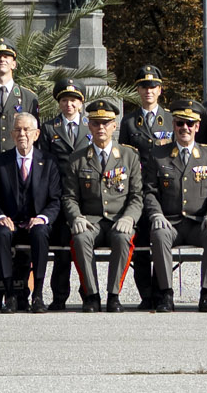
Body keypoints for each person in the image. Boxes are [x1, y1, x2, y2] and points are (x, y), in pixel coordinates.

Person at [138, 96, 207, 311]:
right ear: (173, 125)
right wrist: (156, 214)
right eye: (180, 123)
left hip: (199, 222)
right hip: (170, 222)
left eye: (189, 123)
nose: (184, 128)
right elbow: (149, 191)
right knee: (159, 234)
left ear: (197, 127)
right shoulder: (159, 154)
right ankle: (166, 294)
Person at [59, 98, 145, 310]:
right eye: (96, 123)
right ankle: (91, 295)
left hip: (119, 219)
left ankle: (114, 295)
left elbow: (137, 195)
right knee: (80, 239)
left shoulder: (129, 156)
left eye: (105, 123)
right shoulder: (78, 158)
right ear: (89, 126)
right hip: (91, 220)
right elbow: (69, 196)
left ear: (114, 126)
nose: (101, 128)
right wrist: (76, 218)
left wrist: (129, 217)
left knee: (123, 238)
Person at [0, 109, 60, 311]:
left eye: (27, 129)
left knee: (40, 233)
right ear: (12, 134)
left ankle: (38, 294)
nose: (22, 134)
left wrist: (43, 218)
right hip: (10, 221)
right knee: (0, 234)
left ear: (36, 134)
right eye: (18, 130)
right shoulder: (0, 162)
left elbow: (55, 200)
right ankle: (9, 295)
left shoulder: (49, 162)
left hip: (36, 222)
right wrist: (0, 216)